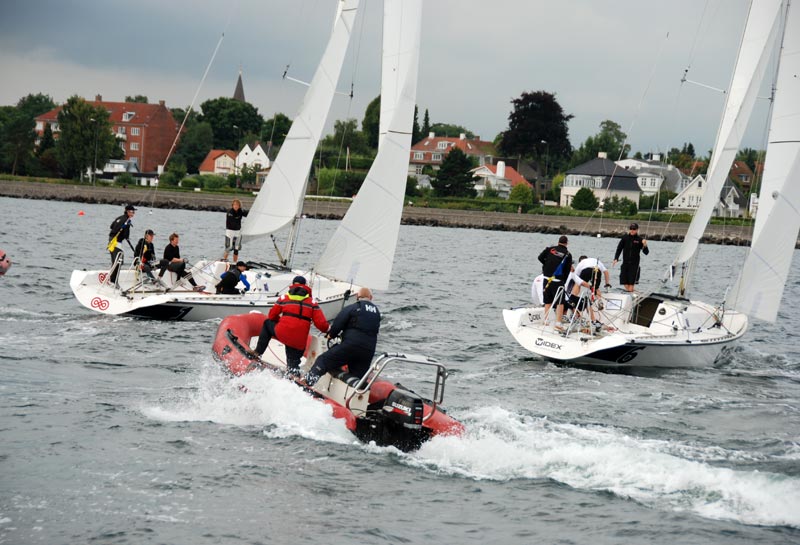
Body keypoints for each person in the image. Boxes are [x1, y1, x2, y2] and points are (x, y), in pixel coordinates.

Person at [252, 275, 330, 376]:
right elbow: (322, 325)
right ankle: (295, 378)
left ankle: (257, 353)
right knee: (293, 366)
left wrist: (281, 322)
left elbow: (272, 316)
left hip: (282, 332)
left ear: (292, 285)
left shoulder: (284, 298)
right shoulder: (312, 303)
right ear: (305, 286)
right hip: (299, 341)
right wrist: (329, 330)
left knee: (267, 324)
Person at [306, 287, 381, 387]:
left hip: (350, 346)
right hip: (368, 351)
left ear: (357, 297)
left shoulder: (353, 307)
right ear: (371, 297)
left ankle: (307, 383)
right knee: (358, 377)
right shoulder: (377, 312)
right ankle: (354, 397)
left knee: (323, 360)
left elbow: (338, 324)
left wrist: (331, 335)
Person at [537, 235, 572, 326]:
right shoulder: (568, 254)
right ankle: (558, 323)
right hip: (557, 280)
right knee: (560, 302)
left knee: (547, 300)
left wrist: (547, 265)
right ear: (567, 243)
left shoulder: (550, 249)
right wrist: (563, 281)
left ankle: (546, 320)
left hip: (546, 279)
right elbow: (567, 270)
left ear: (558, 242)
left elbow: (540, 257)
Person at [613, 223, 649, 292]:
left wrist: (645, 245)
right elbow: (619, 249)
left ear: (637, 230)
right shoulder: (625, 238)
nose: (632, 230)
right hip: (625, 263)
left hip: (634, 265)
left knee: (631, 284)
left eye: (634, 229)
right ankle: (633, 293)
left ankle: (631, 295)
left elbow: (646, 252)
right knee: (623, 281)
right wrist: (616, 258)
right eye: (631, 229)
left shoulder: (639, 239)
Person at [107, 204, 136, 284]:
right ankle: (113, 281)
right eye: (132, 212)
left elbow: (111, 226)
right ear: (127, 212)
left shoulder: (119, 217)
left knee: (115, 261)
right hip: (116, 242)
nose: (133, 213)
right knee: (119, 262)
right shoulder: (127, 221)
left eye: (134, 212)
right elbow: (126, 235)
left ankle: (112, 279)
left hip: (111, 240)